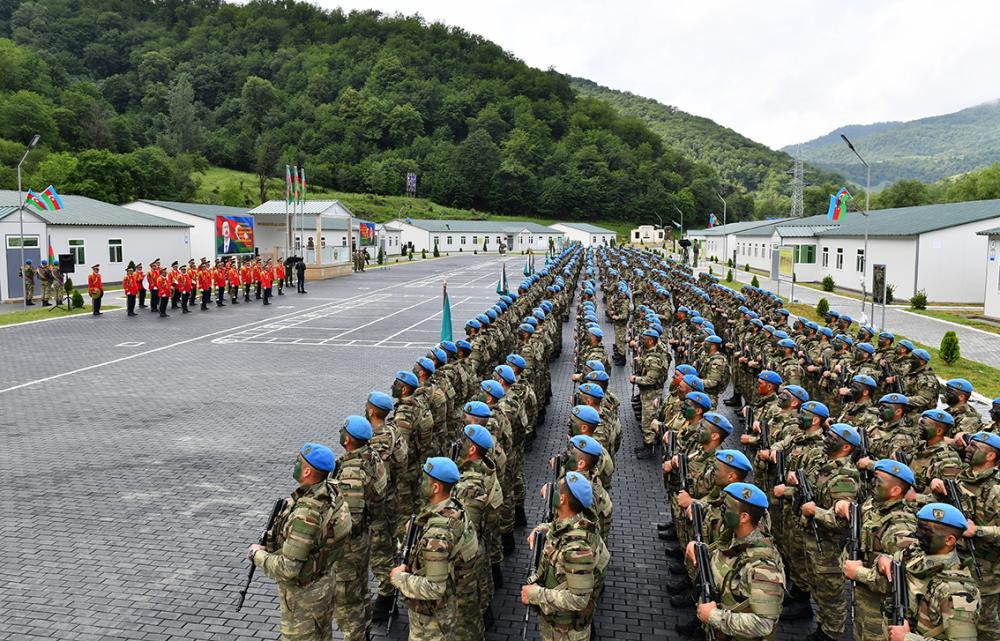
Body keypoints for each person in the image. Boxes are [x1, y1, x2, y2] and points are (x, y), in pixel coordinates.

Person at [246, 443, 352, 641]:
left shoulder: (306, 516)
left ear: (307, 471)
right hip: (323, 584)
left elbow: (288, 568)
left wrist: (257, 555)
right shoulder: (331, 490)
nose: (295, 464)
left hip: (303, 600)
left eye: (298, 461)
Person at [390, 457, 477, 641]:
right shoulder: (455, 508)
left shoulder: (437, 534)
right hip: (446, 606)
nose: (420, 483)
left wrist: (400, 578)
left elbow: (435, 588)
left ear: (436, 487)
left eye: (424, 480)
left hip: (431, 622)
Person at [686, 482, 785, 641]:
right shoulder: (736, 535)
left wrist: (713, 616)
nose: (722, 511)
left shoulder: (762, 566)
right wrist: (699, 549)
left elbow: (764, 623)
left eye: (726, 508)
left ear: (744, 517)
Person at [883, 503, 980, 641]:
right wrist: (880, 561)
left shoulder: (957, 590)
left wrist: (907, 638)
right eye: (919, 528)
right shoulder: (916, 554)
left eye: (926, 531)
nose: (917, 535)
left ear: (949, 540)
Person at [521, 471, 599, 641]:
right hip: (556, 624)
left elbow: (579, 600)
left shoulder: (577, 549)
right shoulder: (575, 519)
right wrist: (542, 529)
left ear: (562, 499)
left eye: (557, 489)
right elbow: (560, 527)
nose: (553, 491)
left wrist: (536, 594)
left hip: (565, 633)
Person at [331, 415, 386, 641]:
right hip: (364, 537)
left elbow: (349, 521)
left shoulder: (351, 473)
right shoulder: (370, 457)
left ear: (348, 439)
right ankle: (365, 631)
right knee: (361, 591)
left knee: (347, 603)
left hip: (350, 547)